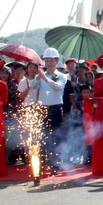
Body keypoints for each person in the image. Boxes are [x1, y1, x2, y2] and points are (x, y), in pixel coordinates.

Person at [35, 47, 67, 175]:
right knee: (43, 137)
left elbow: (58, 87)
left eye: (51, 61)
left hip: (55, 108)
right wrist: (36, 77)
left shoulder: (62, 76)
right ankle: (44, 162)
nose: (48, 63)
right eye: (47, 61)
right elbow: (32, 86)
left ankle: (56, 164)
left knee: (55, 137)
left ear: (57, 61)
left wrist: (45, 79)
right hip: (43, 108)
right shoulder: (41, 76)